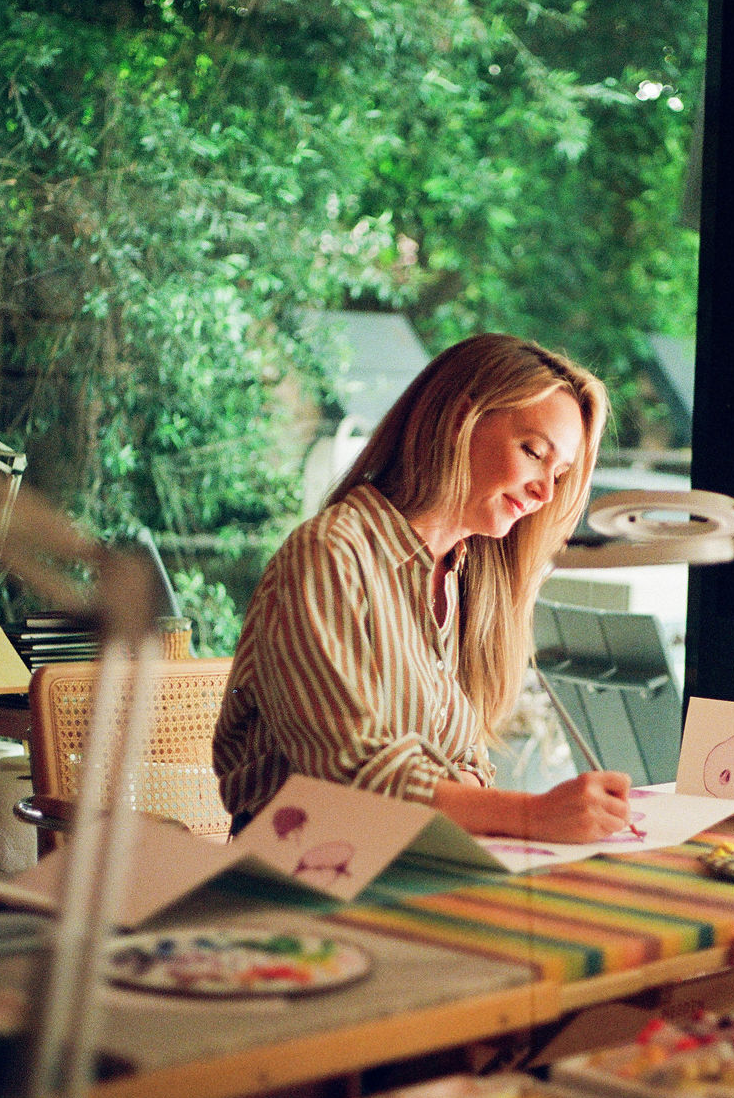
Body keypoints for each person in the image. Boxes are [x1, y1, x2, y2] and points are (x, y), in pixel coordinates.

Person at [213, 332, 631, 842]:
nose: (545, 492)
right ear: (461, 420)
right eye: (533, 452)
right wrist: (530, 814)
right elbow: (353, 778)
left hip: (409, 866)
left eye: (560, 474)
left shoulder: (461, 579)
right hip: (303, 878)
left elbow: (463, 765)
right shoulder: (330, 555)